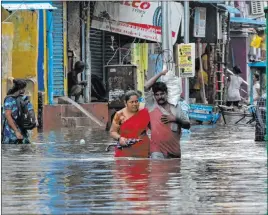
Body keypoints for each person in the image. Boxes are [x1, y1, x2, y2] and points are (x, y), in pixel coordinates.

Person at [144, 69, 190, 159]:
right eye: (157, 95)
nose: (160, 97)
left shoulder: (176, 107)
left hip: (174, 152)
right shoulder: (152, 105)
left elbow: (187, 125)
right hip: (157, 151)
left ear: (167, 93)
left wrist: (175, 119)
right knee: (158, 171)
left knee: (173, 172)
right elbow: (146, 87)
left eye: (162, 94)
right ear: (154, 96)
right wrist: (160, 73)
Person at [109, 90, 151, 158]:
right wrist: (120, 138)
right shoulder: (119, 115)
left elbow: (153, 129)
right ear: (125, 103)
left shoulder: (145, 112)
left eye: (136, 101)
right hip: (125, 149)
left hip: (143, 150)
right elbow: (112, 132)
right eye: (132, 102)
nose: (135, 104)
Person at [2, 79, 33, 144]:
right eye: (24, 88)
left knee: (10, 152)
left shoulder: (9, 99)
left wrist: (16, 131)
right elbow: (31, 113)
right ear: (21, 89)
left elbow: (8, 116)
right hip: (23, 133)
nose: (24, 90)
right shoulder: (24, 99)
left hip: (11, 134)